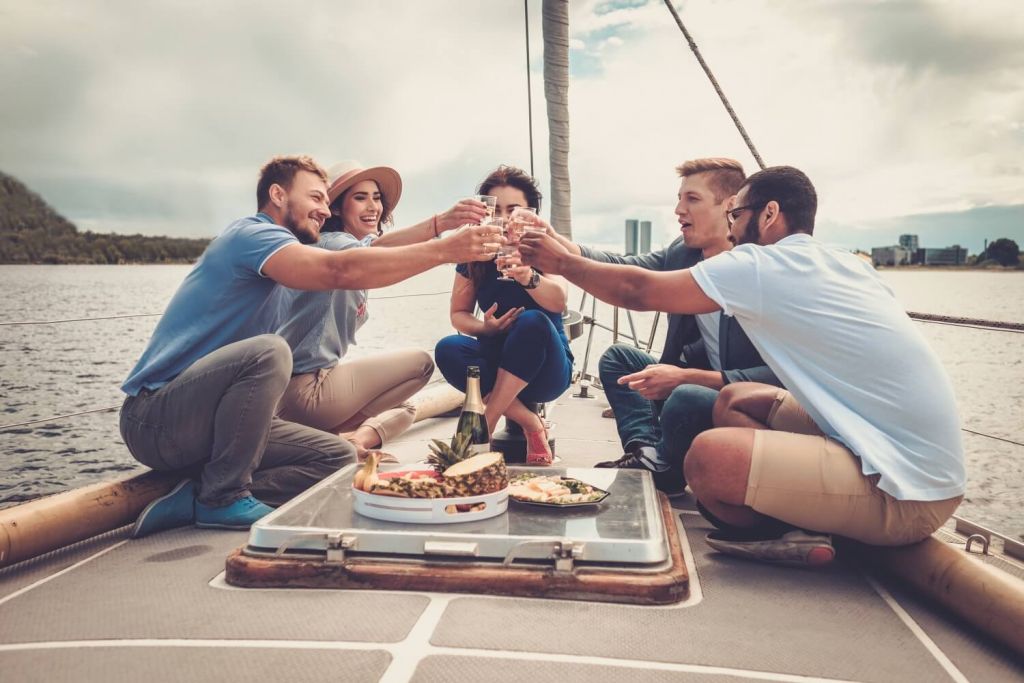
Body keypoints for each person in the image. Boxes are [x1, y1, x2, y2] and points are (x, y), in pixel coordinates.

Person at [519, 165, 965, 566]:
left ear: (768, 214)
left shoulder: (762, 263)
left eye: (736, 215)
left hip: (906, 491)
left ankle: (797, 531)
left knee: (710, 460)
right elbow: (633, 270)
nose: (731, 229)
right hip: (895, 453)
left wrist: (558, 263)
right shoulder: (845, 262)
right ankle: (792, 507)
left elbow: (637, 291)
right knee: (736, 399)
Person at [121, 155, 499, 536]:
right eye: (317, 198)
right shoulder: (253, 236)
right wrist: (445, 250)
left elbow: (371, 247)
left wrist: (438, 226)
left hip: (216, 424)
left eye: (326, 201)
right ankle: (222, 496)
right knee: (269, 351)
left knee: (337, 457)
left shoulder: (295, 251)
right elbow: (340, 268)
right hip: (156, 421)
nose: (323, 209)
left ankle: (199, 496)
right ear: (277, 195)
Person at [540, 158, 780, 495]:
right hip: (689, 382)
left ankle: (663, 466)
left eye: (692, 199)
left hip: (738, 397)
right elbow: (623, 267)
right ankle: (647, 453)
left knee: (685, 396)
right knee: (618, 359)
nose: (679, 209)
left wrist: (688, 378)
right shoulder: (684, 254)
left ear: (730, 206)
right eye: (679, 198)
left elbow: (782, 377)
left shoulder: (758, 270)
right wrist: (554, 241)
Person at [273, 161, 487, 459]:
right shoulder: (332, 246)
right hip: (303, 390)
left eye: (376, 197)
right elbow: (375, 251)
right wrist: (445, 238)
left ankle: (345, 440)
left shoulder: (352, 246)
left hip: (303, 393)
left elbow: (380, 245)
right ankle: (329, 437)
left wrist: (443, 224)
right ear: (335, 208)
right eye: (360, 198)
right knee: (420, 364)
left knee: (406, 408)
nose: (373, 206)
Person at [434, 165, 573, 464]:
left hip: (548, 369)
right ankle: (531, 423)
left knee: (533, 320)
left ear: (530, 213)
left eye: (514, 209)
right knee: (447, 348)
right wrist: (486, 329)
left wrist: (528, 277)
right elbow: (459, 315)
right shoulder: (475, 255)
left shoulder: (545, 249)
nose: (505, 218)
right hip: (497, 359)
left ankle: (486, 422)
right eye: (497, 210)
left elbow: (559, 300)